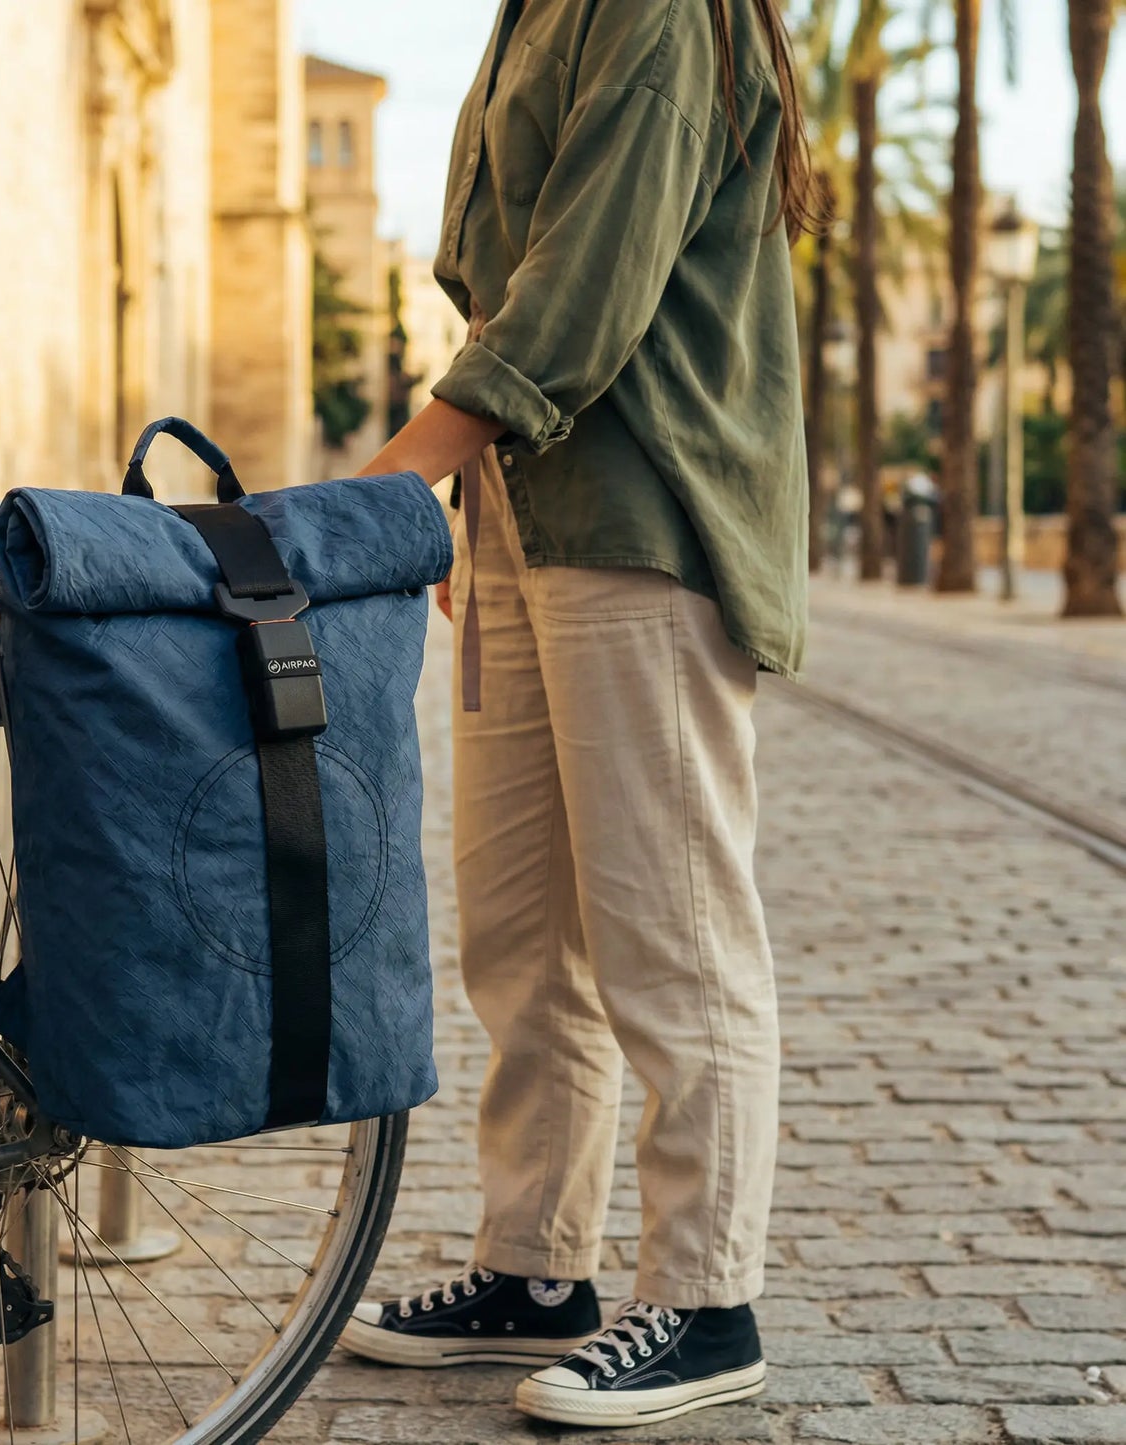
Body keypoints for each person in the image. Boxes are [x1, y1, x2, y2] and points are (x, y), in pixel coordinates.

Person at [339, 0, 814, 1431]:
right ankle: (535, 1264)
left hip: (638, 515)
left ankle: (705, 1295)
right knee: (520, 930)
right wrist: (466, 495)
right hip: (521, 515)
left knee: (666, 926)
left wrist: (392, 476)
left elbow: (583, 276)